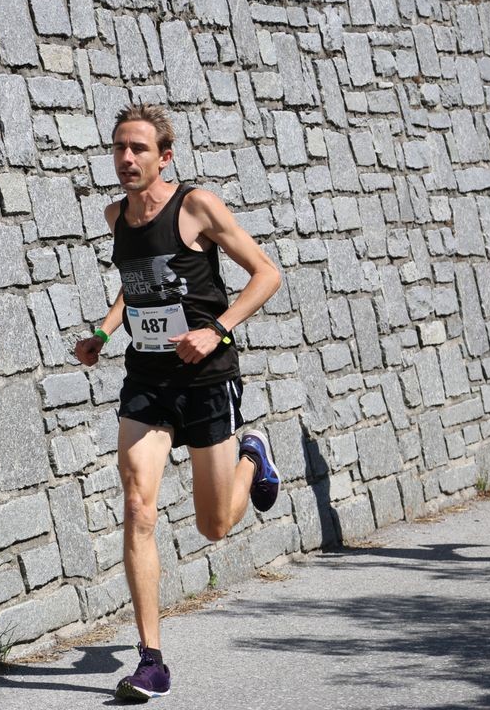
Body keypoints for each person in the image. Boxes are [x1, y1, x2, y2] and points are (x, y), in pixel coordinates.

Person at [74, 104, 283, 701]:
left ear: (165, 156)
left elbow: (266, 274)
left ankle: (252, 456)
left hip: (206, 376)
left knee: (214, 526)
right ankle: (152, 659)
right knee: (138, 504)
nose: (126, 159)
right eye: (118, 148)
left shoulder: (197, 206)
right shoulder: (117, 217)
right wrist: (105, 335)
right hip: (146, 378)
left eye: (138, 148)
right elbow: (135, 284)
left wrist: (216, 329)